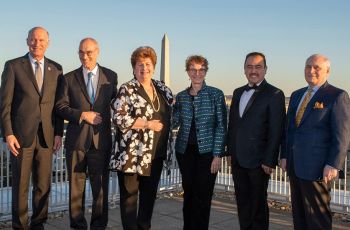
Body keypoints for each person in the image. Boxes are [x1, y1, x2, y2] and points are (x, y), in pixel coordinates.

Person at [0, 26, 64, 229]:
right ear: (27, 41)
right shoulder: (13, 66)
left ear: (48, 42)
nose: (37, 44)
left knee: (43, 185)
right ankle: (20, 225)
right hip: (20, 137)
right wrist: (8, 133)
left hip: (46, 136)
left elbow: (58, 106)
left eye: (42, 40)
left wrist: (58, 133)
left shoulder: (57, 69)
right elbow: (4, 105)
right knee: (20, 186)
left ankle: (39, 224)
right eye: (34, 39)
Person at [280, 54, 350, 230]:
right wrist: (285, 156)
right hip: (295, 167)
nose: (311, 70)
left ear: (327, 70)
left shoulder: (337, 95)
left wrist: (333, 164)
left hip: (318, 169)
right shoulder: (296, 95)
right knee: (300, 216)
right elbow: (290, 130)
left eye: (316, 67)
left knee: (317, 219)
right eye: (307, 66)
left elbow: (342, 134)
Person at [55, 38, 118, 230]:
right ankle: (78, 227)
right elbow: (60, 107)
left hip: (102, 142)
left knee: (100, 191)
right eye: (81, 52)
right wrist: (82, 115)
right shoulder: (67, 78)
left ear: (97, 52)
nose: (85, 56)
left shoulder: (111, 76)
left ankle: (99, 226)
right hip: (76, 143)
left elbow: (117, 105)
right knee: (75, 191)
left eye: (89, 52)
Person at [109, 46, 173, 230]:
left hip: (156, 155)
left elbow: (171, 111)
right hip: (132, 156)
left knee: (148, 198)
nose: (144, 68)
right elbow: (118, 117)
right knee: (129, 200)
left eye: (148, 64)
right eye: (139, 65)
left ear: (153, 66)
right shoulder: (127, 89)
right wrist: (147, 124)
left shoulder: (162, 88)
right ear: (133, 68)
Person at [227, 52, 286, 230]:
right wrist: (230, 152)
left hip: (259, 162)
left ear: (265, 70)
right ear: (244, 70)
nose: (253, 70)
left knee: (258, 206)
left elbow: (277, 130)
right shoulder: (237, 92)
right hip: (238, 159)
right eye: (249, 67)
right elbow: (234, 126)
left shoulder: (275, 94)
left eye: (258, 67)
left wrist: (269, 160)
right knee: (243, 204)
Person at [172, 55, 227, 230]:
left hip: (207, 154)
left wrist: (217, 155)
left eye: (201, 69)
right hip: (184, 152)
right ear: (187, 71)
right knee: (188, 194)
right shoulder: (181, 96)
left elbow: (221, 126)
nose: (197, 73)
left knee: (203, 196)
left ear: (206, 71)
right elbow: (174, 122)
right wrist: (167, 107)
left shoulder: (215, 94)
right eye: (193, 69)